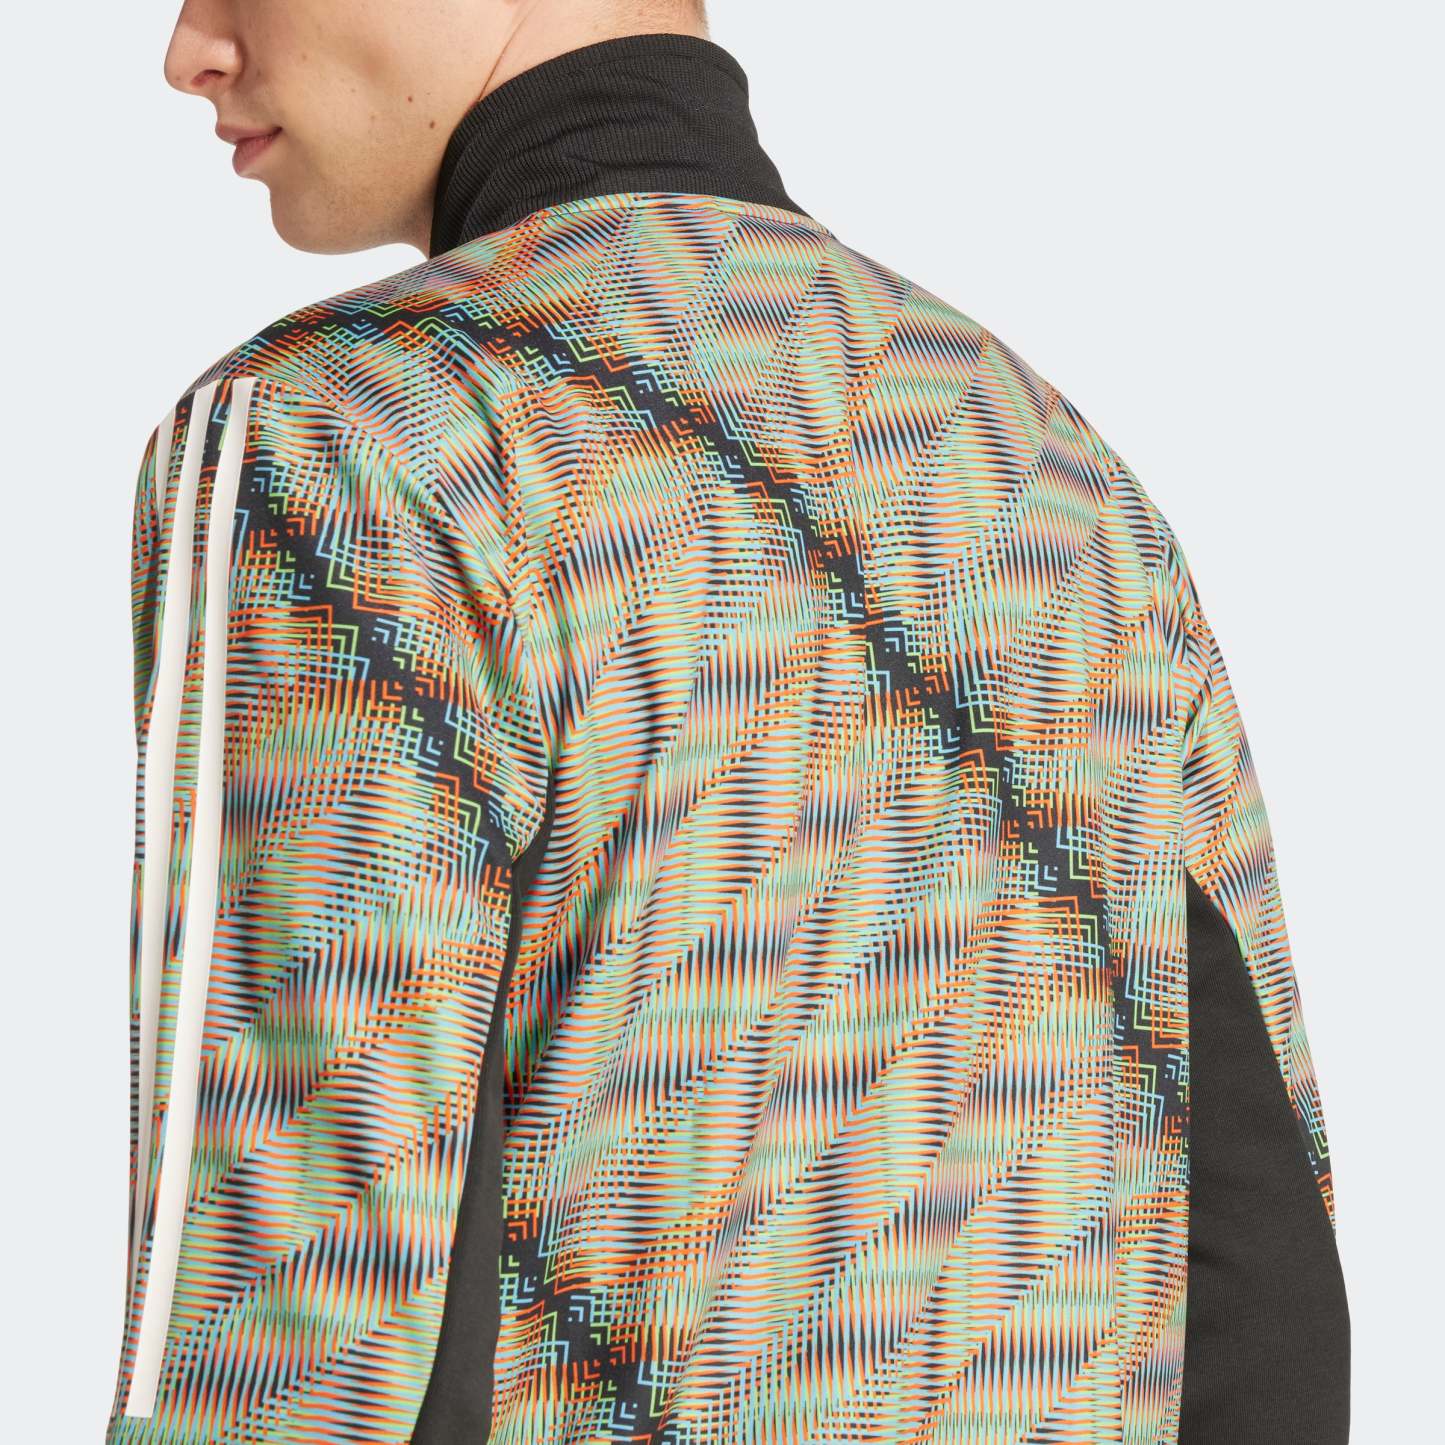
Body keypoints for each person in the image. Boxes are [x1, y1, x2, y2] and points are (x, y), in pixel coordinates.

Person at [104, 3, 1350, 1442]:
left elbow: (302, 1307)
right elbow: (1262, 1284)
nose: (190, 47)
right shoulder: (1047, 466)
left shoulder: (352, 431)